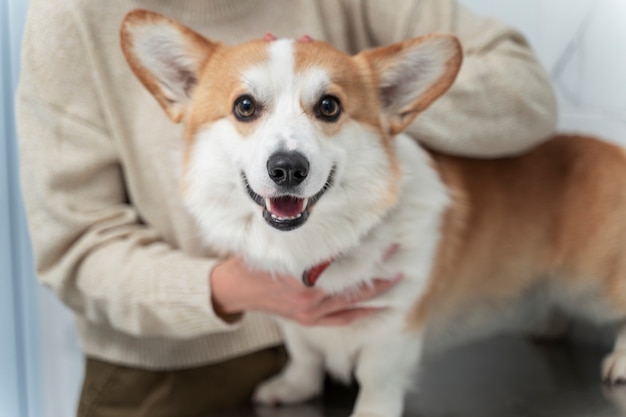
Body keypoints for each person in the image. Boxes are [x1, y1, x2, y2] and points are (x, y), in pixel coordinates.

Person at [16, 0, 557, 416]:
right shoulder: (72, 16)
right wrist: (231, 287)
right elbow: (74, 250)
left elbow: (527, 95)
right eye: (247, 107)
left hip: (362, 348)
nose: (287, 158)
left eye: (324, 106)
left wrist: (367, 99)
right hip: (172, 376)